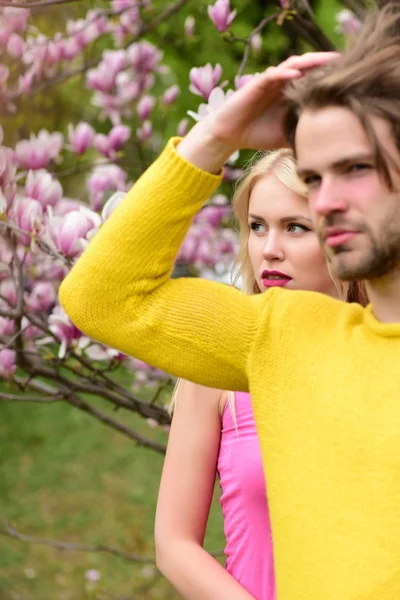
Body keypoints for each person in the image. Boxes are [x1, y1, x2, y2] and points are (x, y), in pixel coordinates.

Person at [59, 4, 400, 598]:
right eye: (315, 180)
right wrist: (216, 137)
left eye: (355, 168)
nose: (325, 203)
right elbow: (101, 298)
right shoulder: (285, 336)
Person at [155, 150, 366, 600]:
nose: (269, 248)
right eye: (257, 226)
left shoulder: (382, 355)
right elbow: (174, 544)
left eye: (295, 227)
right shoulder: (220, 366)